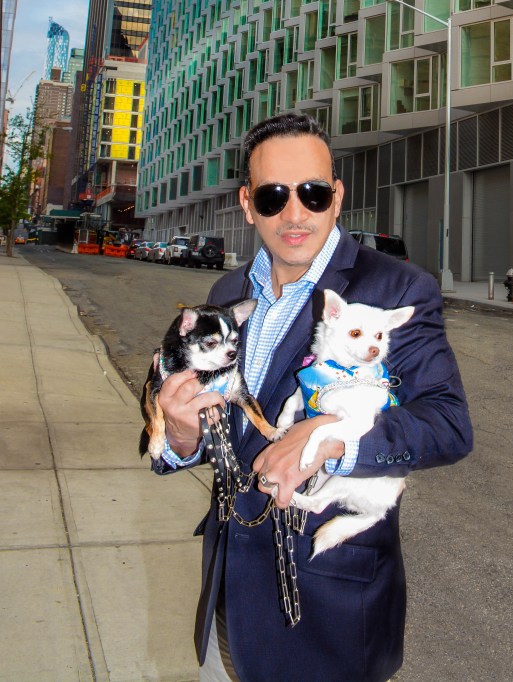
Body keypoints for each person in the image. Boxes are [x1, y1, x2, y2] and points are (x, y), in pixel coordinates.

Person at [153, 111, 472, 682]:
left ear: (338, 196)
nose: (295, 213)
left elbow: (448, 425)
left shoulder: (397, 288)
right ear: (248, 204)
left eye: (313, 193)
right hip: (227, 605)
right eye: (274, 196)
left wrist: (330, 439)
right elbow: (225, 432)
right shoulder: (226, 294)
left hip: (329, 619)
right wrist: (182, 436)